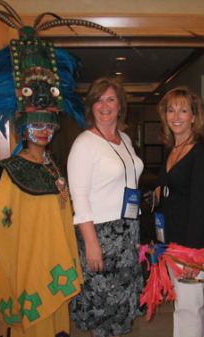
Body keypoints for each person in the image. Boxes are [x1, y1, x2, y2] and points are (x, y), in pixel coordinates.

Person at [0, 119, 83, 337]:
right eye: (36, 125)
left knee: (56, 315)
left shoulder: (55, 163)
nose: (43, 131)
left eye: (49, 126)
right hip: (29, 255)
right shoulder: (14, 168)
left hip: (56, 250)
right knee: (35, 312)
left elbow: (65, 206)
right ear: (24, 129)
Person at [67, 77, 145, 337]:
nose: (104, 105)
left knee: (121, 309)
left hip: (126, 231)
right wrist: (91, 244)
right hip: (100, 234)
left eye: (110, 99)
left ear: (120, 106)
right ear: (91, 106)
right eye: (98, 100)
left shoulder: (124, 138)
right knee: (103, 310)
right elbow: (79, 198)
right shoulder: (84, 144)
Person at [154, 86, 204, 337]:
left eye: (183, 110)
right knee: (193, 306)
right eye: (171, 110)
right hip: (173, 240)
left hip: (193, 245)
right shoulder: (173, 149)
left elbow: (203, 205)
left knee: (187, 308)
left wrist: (194, 253)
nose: (176, 116)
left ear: (194, 116)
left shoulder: (199, 153)